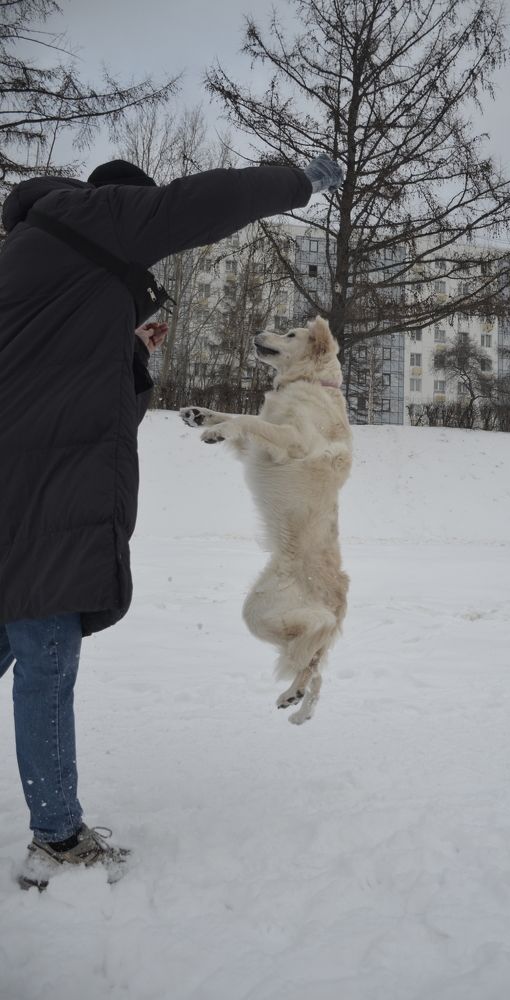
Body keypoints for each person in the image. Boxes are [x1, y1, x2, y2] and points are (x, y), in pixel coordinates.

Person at [0, 153, 344, 889]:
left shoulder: (33, 260)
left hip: (24, 480)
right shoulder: (91, 211)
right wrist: (301, 180)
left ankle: (56, 832)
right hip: (39, 493)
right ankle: (58, 842)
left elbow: (89, 406)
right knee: (46, 652)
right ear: (123, 203)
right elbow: (206, 200)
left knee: (16, 636)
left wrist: (129, 355)